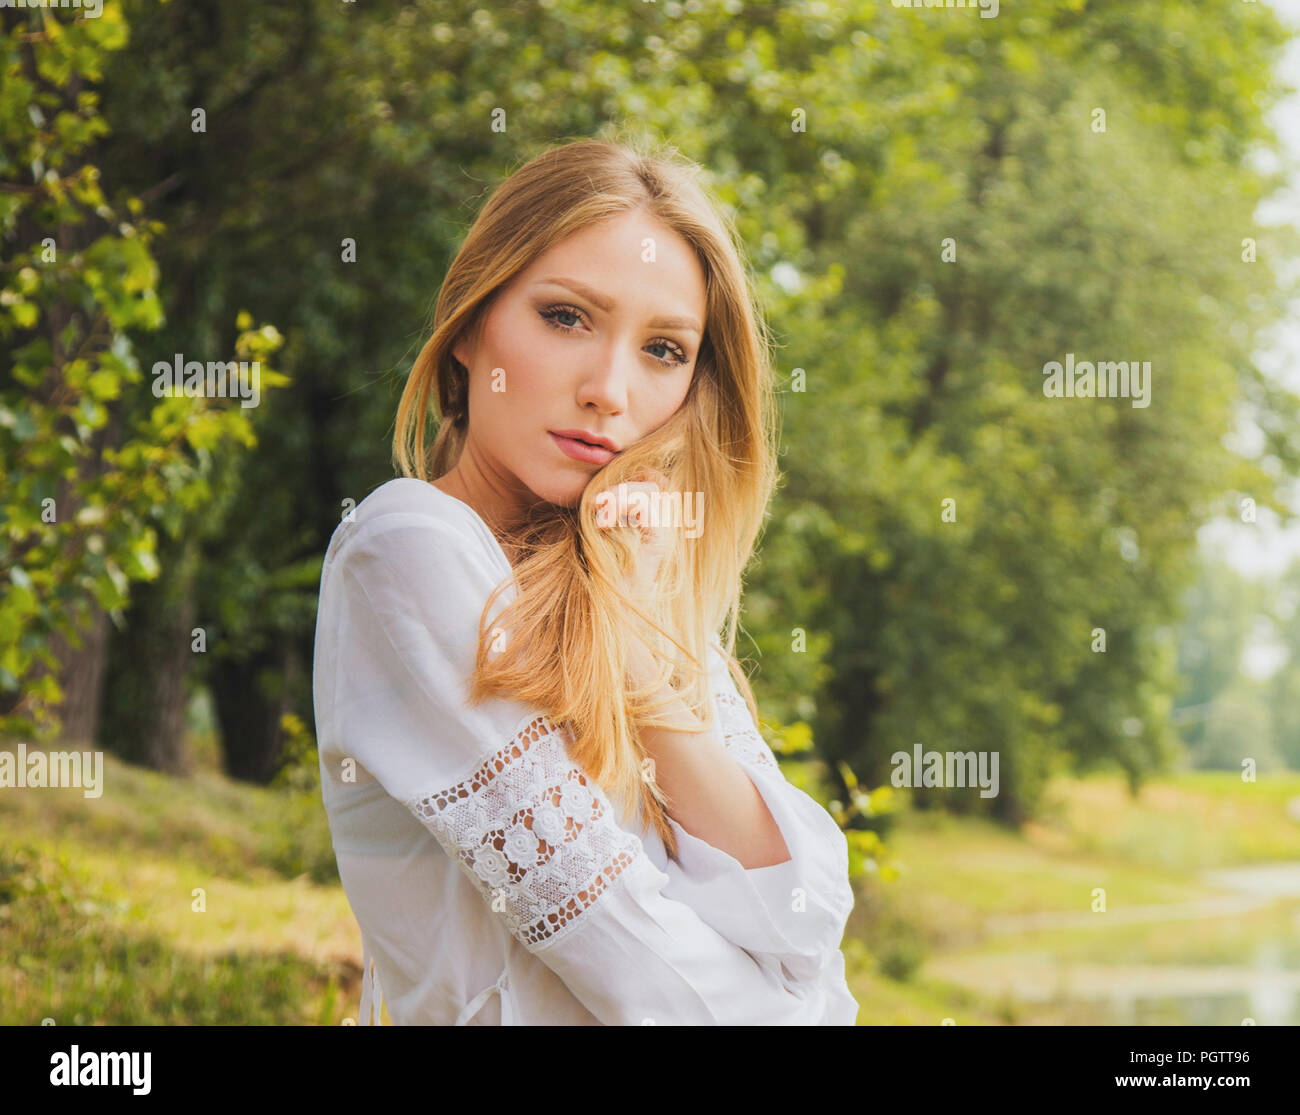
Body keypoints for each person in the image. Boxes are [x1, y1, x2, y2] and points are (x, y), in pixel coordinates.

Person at [311, 136, 860, 1024]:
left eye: (664, 350)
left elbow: (804, 917)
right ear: (471, 327)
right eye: (566, 317)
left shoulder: (632, 580)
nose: (609, 390)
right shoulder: (407, 545)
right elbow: (634, 963)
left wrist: (642, 662)